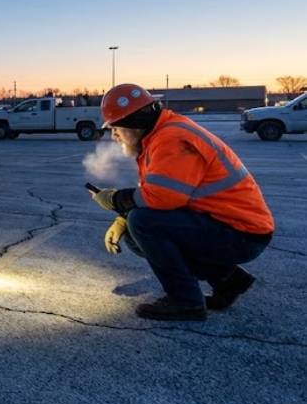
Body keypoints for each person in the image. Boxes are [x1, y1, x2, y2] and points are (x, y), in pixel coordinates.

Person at [90, 84, 273, 321]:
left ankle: (185, 302)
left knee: (143, 224)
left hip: (241, 235)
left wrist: (116, 199)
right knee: (137, 232)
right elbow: (161, 194)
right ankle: (228, 281)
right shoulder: (161, 135)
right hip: (230, 226)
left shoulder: (171, 139)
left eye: (115, 128)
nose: (113, 135)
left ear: (134, 123)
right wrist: (122, 217)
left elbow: (163, 198)